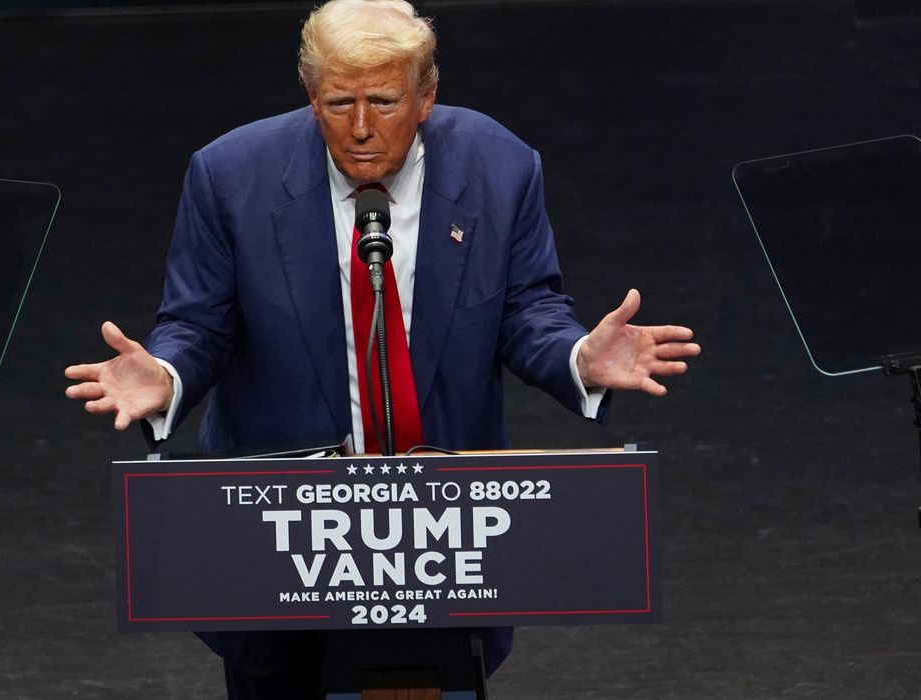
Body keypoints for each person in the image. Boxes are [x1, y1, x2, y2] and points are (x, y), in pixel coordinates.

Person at [65, 0, 699, 696]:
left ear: (426, 97)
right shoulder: (230, 175)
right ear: (311, 97)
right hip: (287, 540)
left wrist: (577, 359)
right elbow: (200, 325)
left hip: (441, 534)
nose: (361, 128)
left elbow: (526, 310)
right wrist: (167, 372)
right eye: (339, 102)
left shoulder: (500, 166)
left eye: (385, 101)